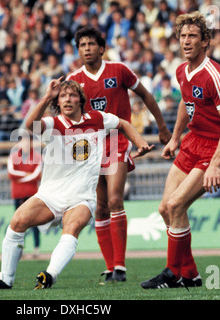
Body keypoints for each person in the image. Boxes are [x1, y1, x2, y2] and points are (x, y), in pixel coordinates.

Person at [0, 78, 154, 290]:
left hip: (81, 197)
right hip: (50, 195)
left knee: (71, 227)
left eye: (72, 95)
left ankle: (49, 276)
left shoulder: (98, 118)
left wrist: (141, 143)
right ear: (58, 101)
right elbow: (29, 125)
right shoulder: (54, 124)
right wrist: (46, 96)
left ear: (81, 100)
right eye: (63, 96)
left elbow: (124, 124)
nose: (67, 99)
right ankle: (5, 280)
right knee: (17, 221)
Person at [140, 11, 220, 289]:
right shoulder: (182, 70)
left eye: (193, 36)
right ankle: (192, 275)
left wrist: (214, 165)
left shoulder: (216, 76)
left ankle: (172, 273)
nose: (186, 41)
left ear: (205, 41)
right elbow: (187, 102)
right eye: (183, 36)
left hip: (217, 146)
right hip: (193, 141)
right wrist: (174, 137)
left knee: (176, 205)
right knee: (165, 209)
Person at [66, 26, 172, 282]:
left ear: (101, 48)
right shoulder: (74, 79)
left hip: (117, 142)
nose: (87, 49)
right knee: (100, 208)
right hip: (88, 149)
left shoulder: (119, 70)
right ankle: (111, 265)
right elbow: (67, 114)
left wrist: (161, 126)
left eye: (91, 44)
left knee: (115, 200)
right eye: (82, 45)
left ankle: (121, 267)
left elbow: (145, 94)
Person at [7, 135, 42, 257]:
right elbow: (11, 173)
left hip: (32, 195)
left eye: (27, 141)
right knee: (18, 223)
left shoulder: (37, 157)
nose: (25, 143)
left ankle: (36, 249)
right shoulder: (13, 157)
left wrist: (20, 178)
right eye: (23, 141)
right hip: (18, 194)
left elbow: (37, 175)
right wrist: (27, 174)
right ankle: (19, 249)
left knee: (34, 222)